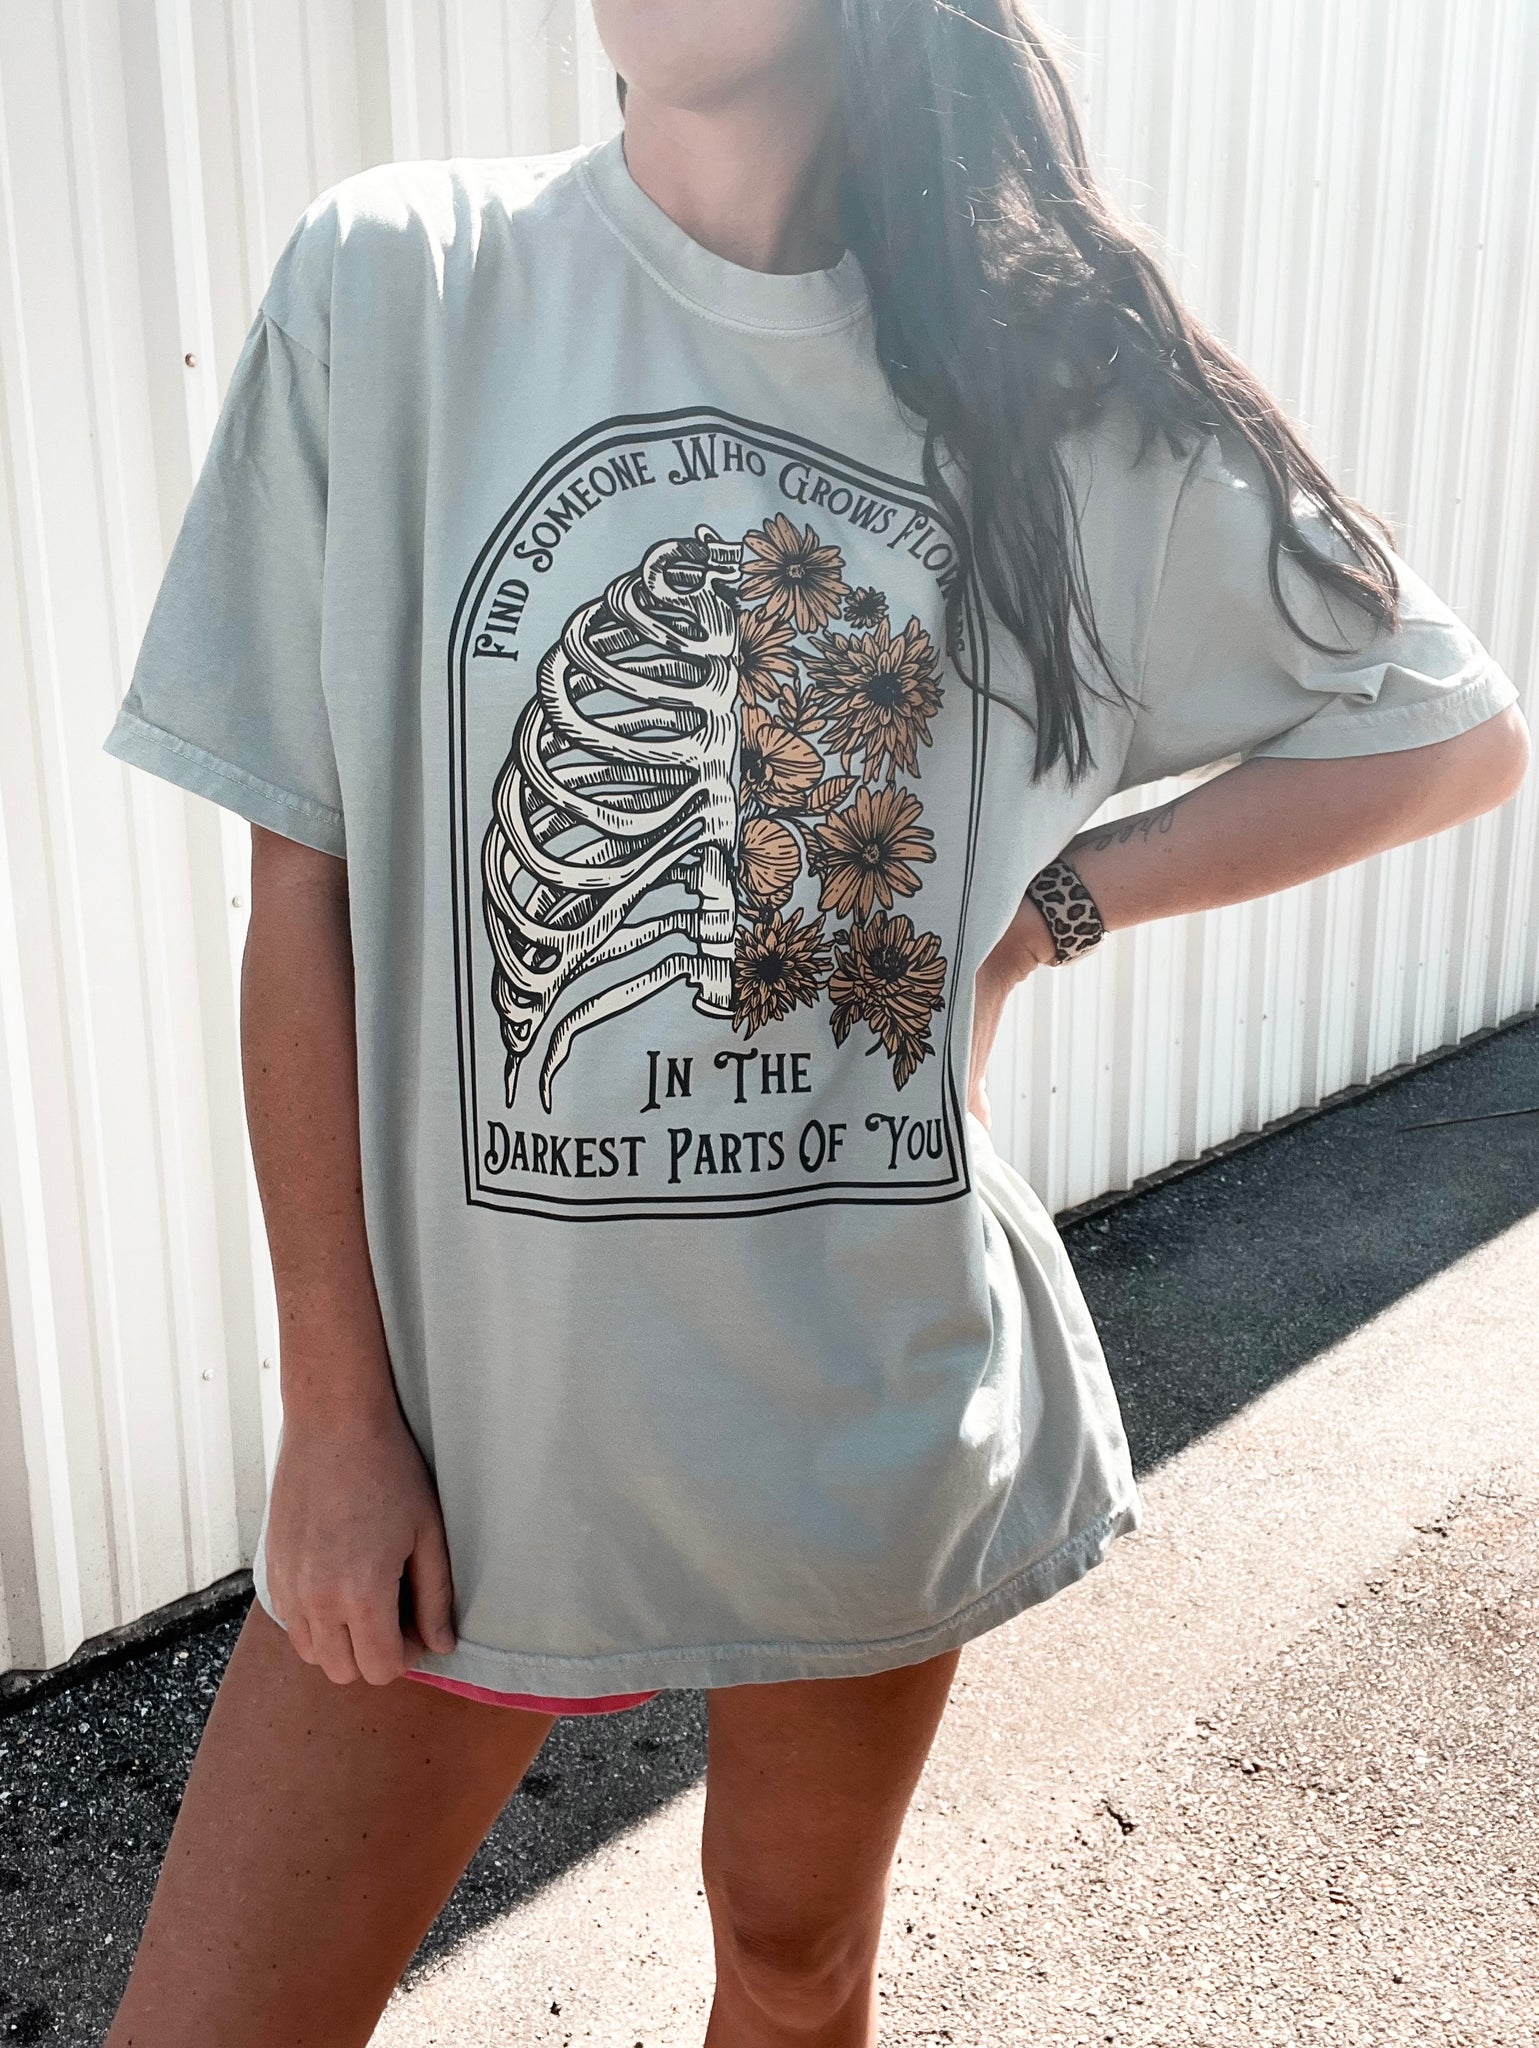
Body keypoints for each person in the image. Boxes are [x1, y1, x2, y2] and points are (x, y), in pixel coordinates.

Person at [100, 2, 1527, 2042]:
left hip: (857, 1409)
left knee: (790, 1966)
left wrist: (1040, 916)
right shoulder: (403, 279)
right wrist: (334, 1419)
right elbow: (299, 885)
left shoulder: (1043, 399)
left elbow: (1443, 729)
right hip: (470, 1444)